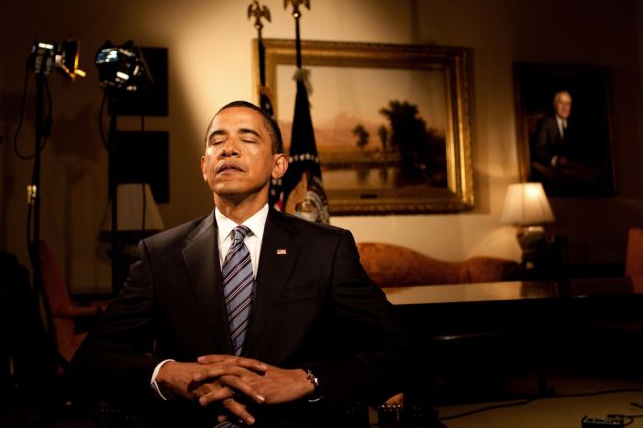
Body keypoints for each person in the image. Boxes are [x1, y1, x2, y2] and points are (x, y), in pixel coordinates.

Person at [75, 101, 415, 427]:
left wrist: (307, 379)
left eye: (248, 139)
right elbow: (93, 358)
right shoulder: (159, 253)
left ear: (279, 165)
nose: (229, 149)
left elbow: (400, 347)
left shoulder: (326, 249)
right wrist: (165, 373)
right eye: (217, 141)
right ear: (204, 166)